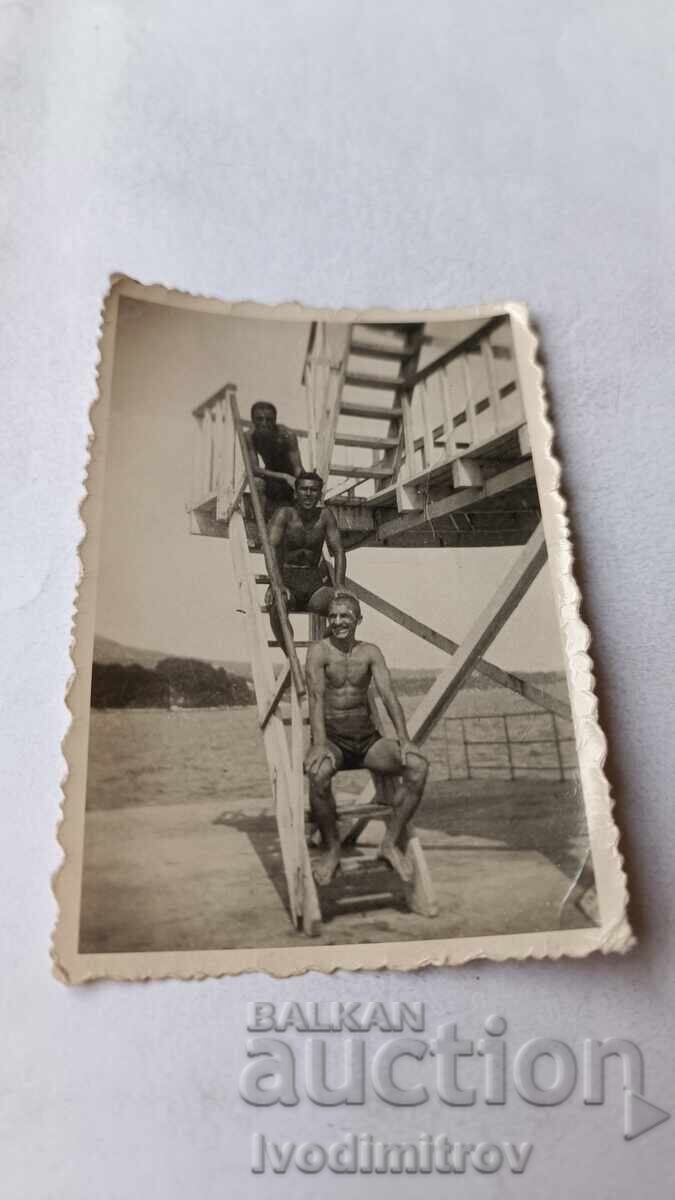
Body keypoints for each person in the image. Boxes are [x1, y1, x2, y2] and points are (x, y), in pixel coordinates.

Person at [304, 591, 429, 885]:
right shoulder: (318, 652)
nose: (337, 622)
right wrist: (319, 743)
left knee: (418, 767)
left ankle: (390, 843)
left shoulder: (370, 652)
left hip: (367, 741)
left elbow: (388, 695)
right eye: (333, 617)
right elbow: (315, 697)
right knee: (318, 774)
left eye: (344, 616)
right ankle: (332, 848)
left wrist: (404, 739)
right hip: (333, 740)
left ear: (358, 619)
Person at [266, 470, 345, 651]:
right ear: (296, 492)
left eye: (313, 490)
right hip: (287, 579)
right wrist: (276, 583)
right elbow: (270, 549)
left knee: (349, 608)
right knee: (278, 609)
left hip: (313, 584)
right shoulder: (284, 514)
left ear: (320, 493)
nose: (308, 494)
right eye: (304, 489)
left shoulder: (325, 516)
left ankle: (319, 648)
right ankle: (290, 656)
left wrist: (339, 584)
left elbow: (339, 550)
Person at [245, 401, 303, 515]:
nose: (264, 423)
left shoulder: (287, 435)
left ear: (275, 420)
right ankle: (260, 524)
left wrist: (300, 482)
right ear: (253, 420)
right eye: (259, 419)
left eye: (269, 419)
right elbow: (254, 469)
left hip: (291, 478)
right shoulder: (250, 436)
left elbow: (298, 468)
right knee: (256, 482)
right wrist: (284, 476)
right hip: (273, 475)